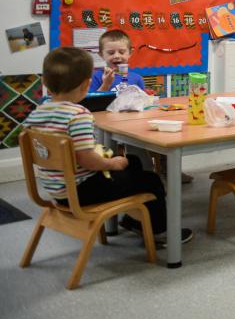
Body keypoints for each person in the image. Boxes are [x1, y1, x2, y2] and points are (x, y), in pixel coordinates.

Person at [23, 47, 192, 246]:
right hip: (82, 190)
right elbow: (88, 160)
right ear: (87, 84)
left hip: (57, 189)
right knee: (151, 180)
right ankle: (160, 232)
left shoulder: (37, 113)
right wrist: (112, 164)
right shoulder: (78, 115)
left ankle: (135, 219)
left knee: (135, 162)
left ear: (45, 82)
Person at [91, 29, 193, 184]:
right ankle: (148, 178)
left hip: (134, 123)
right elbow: (94, 104)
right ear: (101, 55)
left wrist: (148, 98)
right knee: (134, 145)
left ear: (130, 53)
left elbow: (142, 102)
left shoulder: (136, 78)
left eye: (121, 51)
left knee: (163, 135)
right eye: (111, 53)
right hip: (107, 126)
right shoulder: (97, 76)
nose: (117, 56)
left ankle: (169, 171)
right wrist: (106, 84)